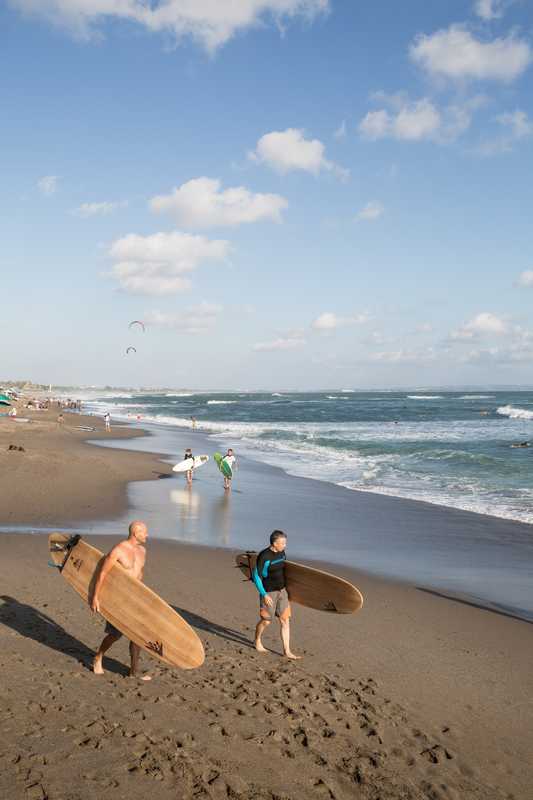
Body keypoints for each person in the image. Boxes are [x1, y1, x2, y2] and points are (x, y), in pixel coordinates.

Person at [91, 520, 151, 680]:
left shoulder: (142, 551)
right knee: (115, 635)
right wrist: (95, 597)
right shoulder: (119, 550)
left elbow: (139, 574)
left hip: (135, 597)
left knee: (137, 634)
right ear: (135, 533)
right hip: (118, 597)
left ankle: (134, 672)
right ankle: (98, 656)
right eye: (145, 532)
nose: (147, 535)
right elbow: (102, 573)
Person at [252, 530, 300, 660]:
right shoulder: (264, 556)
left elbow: (285, 571)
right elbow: (256, 575)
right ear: (275, 543)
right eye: (283, 542)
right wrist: (264, 594)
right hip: (269, 592)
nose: (285, 545)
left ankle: (287, 651)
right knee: (266, 621)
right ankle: (257, 640)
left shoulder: (282, 553)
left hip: (282, 591)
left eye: (285, 542)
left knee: (285, 620)